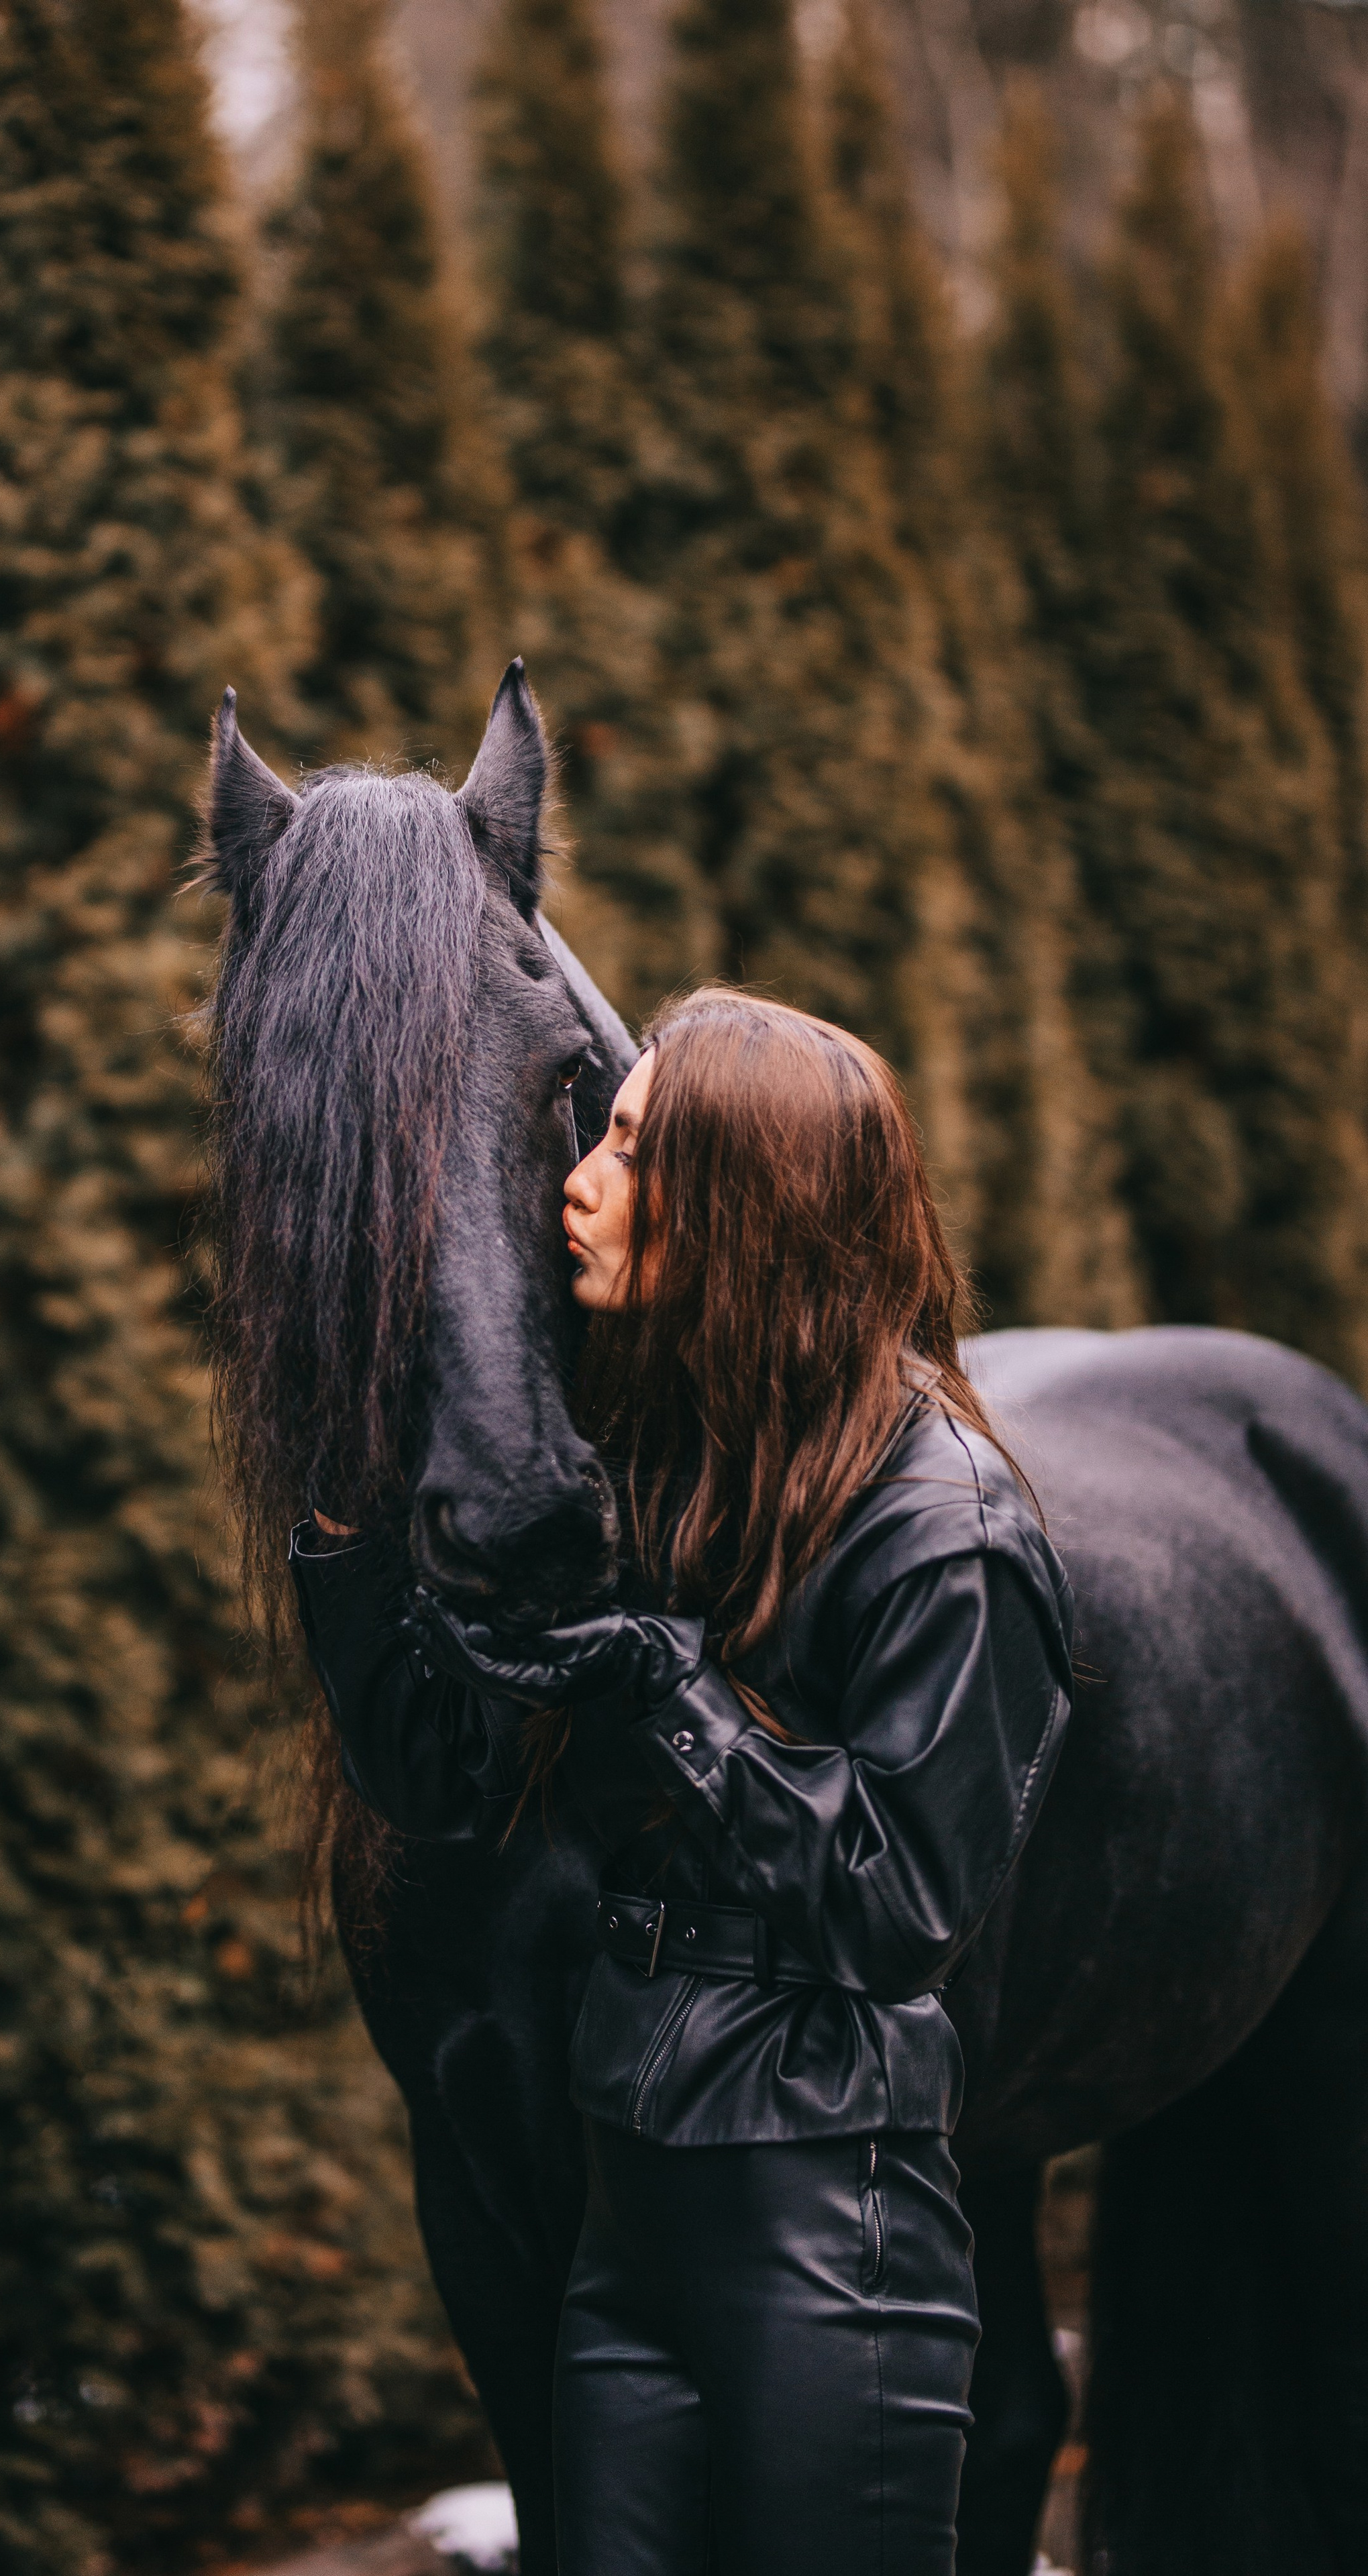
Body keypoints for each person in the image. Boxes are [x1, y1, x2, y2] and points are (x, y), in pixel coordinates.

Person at [290, 989, 1073, 2576]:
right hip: (623, 2217)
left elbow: (895, 1912)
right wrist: (342, 1525)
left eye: (630, 1149)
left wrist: (668, 1687)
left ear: (742, 1210)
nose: (574, 1176)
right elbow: (443, 1782)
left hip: (820, 2238)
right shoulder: (657, 1475)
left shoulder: (947, 1532)